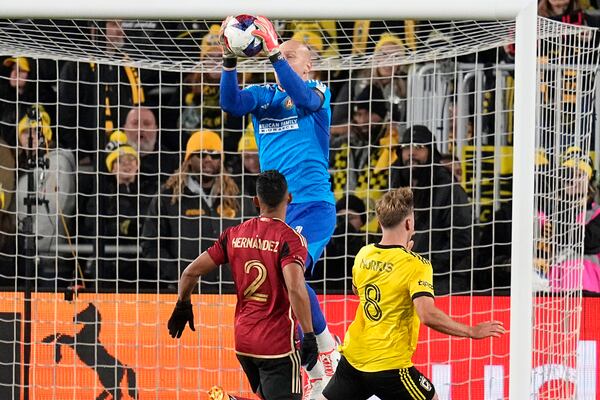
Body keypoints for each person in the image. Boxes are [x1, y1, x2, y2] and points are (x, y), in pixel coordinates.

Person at [219, 16, 339, 397]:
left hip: (313, 205)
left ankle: (326, 350)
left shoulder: (318, 93)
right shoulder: (265, 96)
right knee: (281, 284)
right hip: (277, 210)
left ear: (308, 65)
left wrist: (273, 53)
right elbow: (230, 103)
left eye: (291, 54)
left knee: (293, 275)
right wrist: (228, 61)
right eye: (279, 50)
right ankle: (311, 366)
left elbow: (301, 97)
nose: (282, 54)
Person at [322, 188, 506, 400]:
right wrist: (471, 331)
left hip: (354, 357)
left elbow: (357, 290)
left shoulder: (364, 253)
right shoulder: (416, 264)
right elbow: (427, 315)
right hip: (389, 365)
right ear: (409, 223)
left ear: (380, 223)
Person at [168, 170, 318, 400]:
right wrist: (309, 335)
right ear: (289, 198)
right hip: (277, 346)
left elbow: (190, 273)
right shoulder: (290, 239)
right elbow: (296, 288)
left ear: (256, 201)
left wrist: (183, 304)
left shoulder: (234, 234)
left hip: (244, 342)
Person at [141, 130, 239, 289]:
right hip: (187, 293)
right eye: (201, 154)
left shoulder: (237, 198)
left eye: (214, 155)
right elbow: (150, 244)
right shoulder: (168, 197)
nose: (208, 160)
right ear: (188, 159)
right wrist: (179, 276)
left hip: (230, 292)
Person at [391, 125, 473, 295]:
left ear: (431, 151)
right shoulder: (395, 186)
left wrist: (425, 268)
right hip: (403, 279)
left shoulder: (448, 189)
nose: (411, 152)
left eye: (419, 147)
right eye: (406, 147)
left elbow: (461, 241)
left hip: (443, 281)